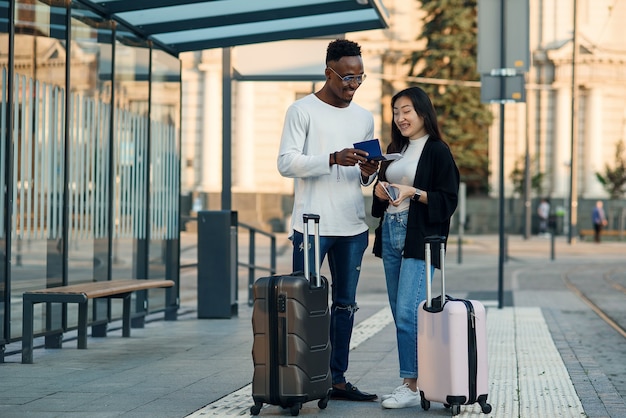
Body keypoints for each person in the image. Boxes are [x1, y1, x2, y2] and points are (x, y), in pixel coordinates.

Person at [277, 39, 380, 402]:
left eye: (359, 78)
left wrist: (368, 171)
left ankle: (336, 378)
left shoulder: (364, 117)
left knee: (345, 306)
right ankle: (302, 378)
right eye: (347, 77)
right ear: (329, 73)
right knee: (304, 304)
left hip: (352, 226)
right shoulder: (301, 110)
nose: (353, 85)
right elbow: (286, 162)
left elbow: (366, 177)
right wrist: (332, 158)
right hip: (312, 225)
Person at [371, 86, 460, 409]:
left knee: (410, 312)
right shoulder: (396, 149)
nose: (400, 117)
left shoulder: (437, 151)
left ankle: (411, 384)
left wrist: (413, 192)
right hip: (392, 234)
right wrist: (380, 194)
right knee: (400, 314)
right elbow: (382, 199)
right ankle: (417, 380)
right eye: (396, 112)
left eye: (406, 110)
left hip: (420, 237)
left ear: (423, 112)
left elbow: (447, 200)